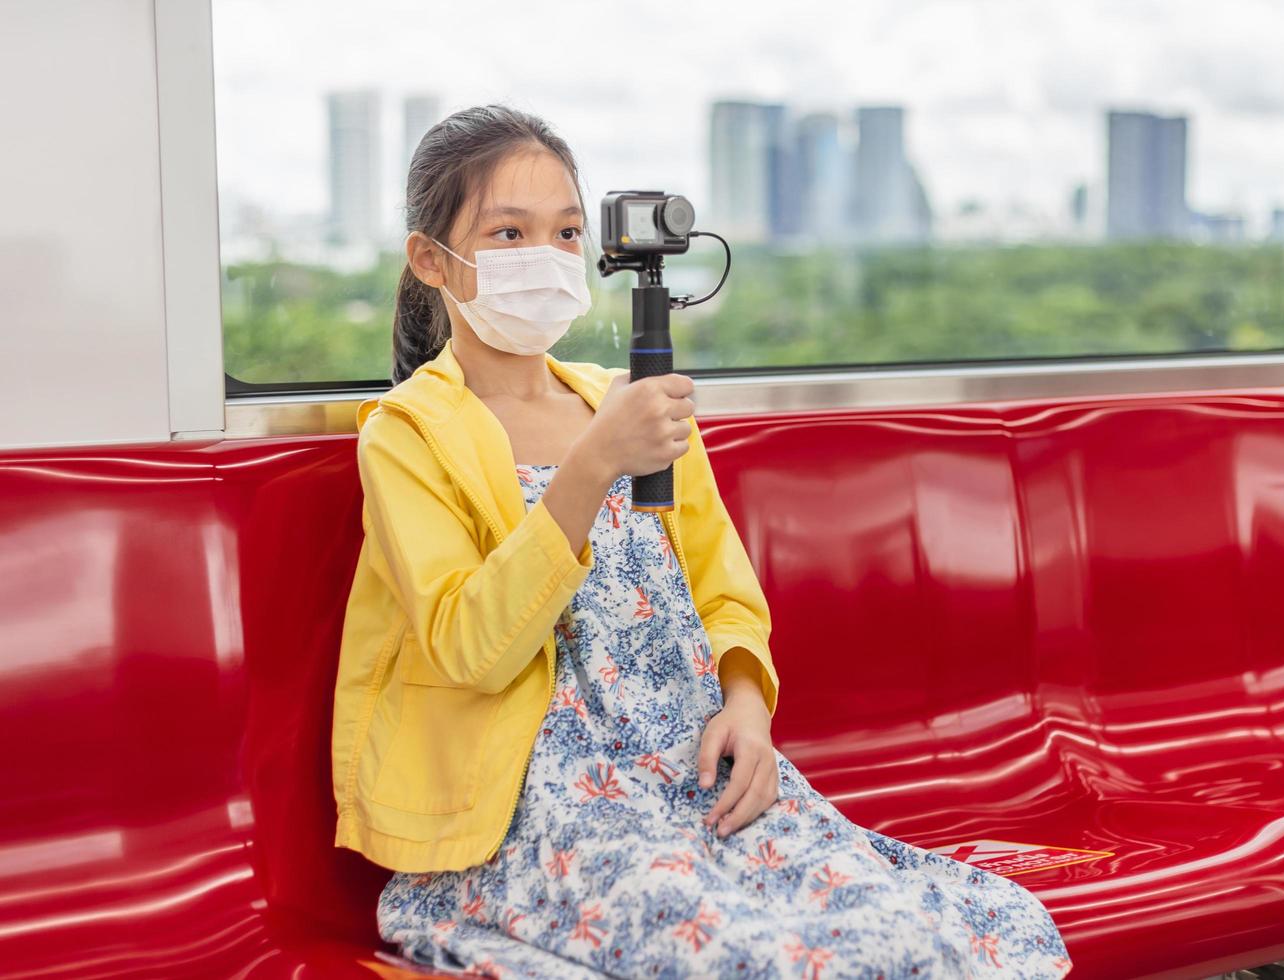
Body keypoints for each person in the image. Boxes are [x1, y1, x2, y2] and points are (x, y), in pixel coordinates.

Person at [331, 103, 1072, 979]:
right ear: (431, 260)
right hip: (543, 810)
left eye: (567, 231)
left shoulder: (628, 400)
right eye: (508, 232)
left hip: (697, 773)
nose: (547, 255)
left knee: (907, 937)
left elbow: (723, 593)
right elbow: (467, 645)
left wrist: (749, 709)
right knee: (757, 960)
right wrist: (589, 468)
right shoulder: (409, 435)